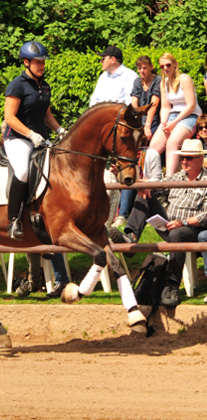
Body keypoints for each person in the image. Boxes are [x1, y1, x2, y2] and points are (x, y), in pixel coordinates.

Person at [109, 139, 207, 308]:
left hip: (191, 229)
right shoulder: (177, 177)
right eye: (182, 157)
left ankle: (172, 286)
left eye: (188, 158)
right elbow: (157, 187)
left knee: (177, 233)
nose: (184, 161)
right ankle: (131, 237)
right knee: (144, 192)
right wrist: (145, 185)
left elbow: (206, 215)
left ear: (199, 159)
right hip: (168, 224)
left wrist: (182, 222)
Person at [3, 41, 67, 240]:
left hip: (40, 139)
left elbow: (46, 115)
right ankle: (13, 221)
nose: (42, 65)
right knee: (22, 171)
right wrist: (30, 134)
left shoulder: (44, 86)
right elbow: (9, 117)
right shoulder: (17, 85)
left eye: (43, 62)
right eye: (38, 62)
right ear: (26, 62)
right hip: (18, 139)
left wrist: (60, 130)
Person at [89, 46, 139, 228]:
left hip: (120, 128)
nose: (101, 60)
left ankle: (122, 214)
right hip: (102, 127)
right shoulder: (103, 78)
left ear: (113, 59)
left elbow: (129, 105)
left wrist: (109, 113)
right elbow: (93, 101)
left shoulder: (130, 76)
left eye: (104, 58)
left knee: (124, 165)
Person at [149, 52, 202, 177]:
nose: (165, 68)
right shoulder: (164, 83)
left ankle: (169, 181)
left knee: (172, 143)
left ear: (175, 64)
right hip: (172, 116)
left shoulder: (185, 79)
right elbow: (165, 107)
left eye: (168, 65)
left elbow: (191, 105)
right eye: (162, 66)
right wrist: (164, 122)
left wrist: (173, 123)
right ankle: (152, 181)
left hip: (191, 116)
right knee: (153, 148)